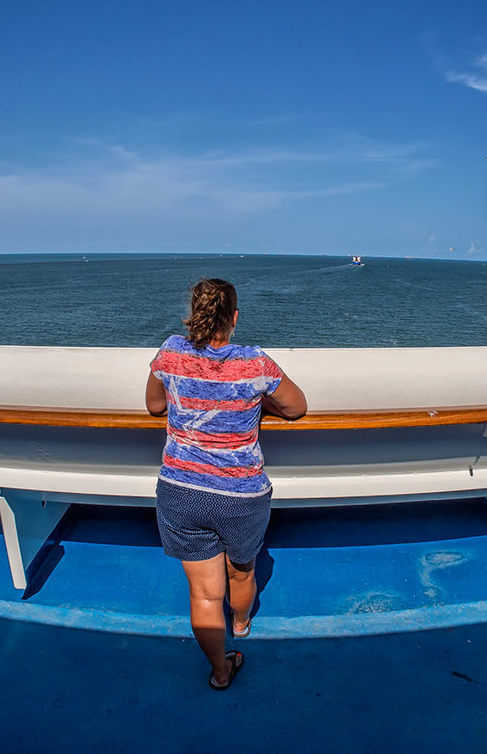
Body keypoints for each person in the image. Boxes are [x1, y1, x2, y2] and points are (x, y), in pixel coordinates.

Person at [145, 278, 307, 690]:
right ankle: (241, 623)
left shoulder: (170, 352)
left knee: (203, 594)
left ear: (193, 315)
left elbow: (153, 405)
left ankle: (220, 672)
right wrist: (256, 402)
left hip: (181, 492)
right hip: (240, 495)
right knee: (241, 572)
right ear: (234, 318)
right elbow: (296, 408)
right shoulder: (255, 364)